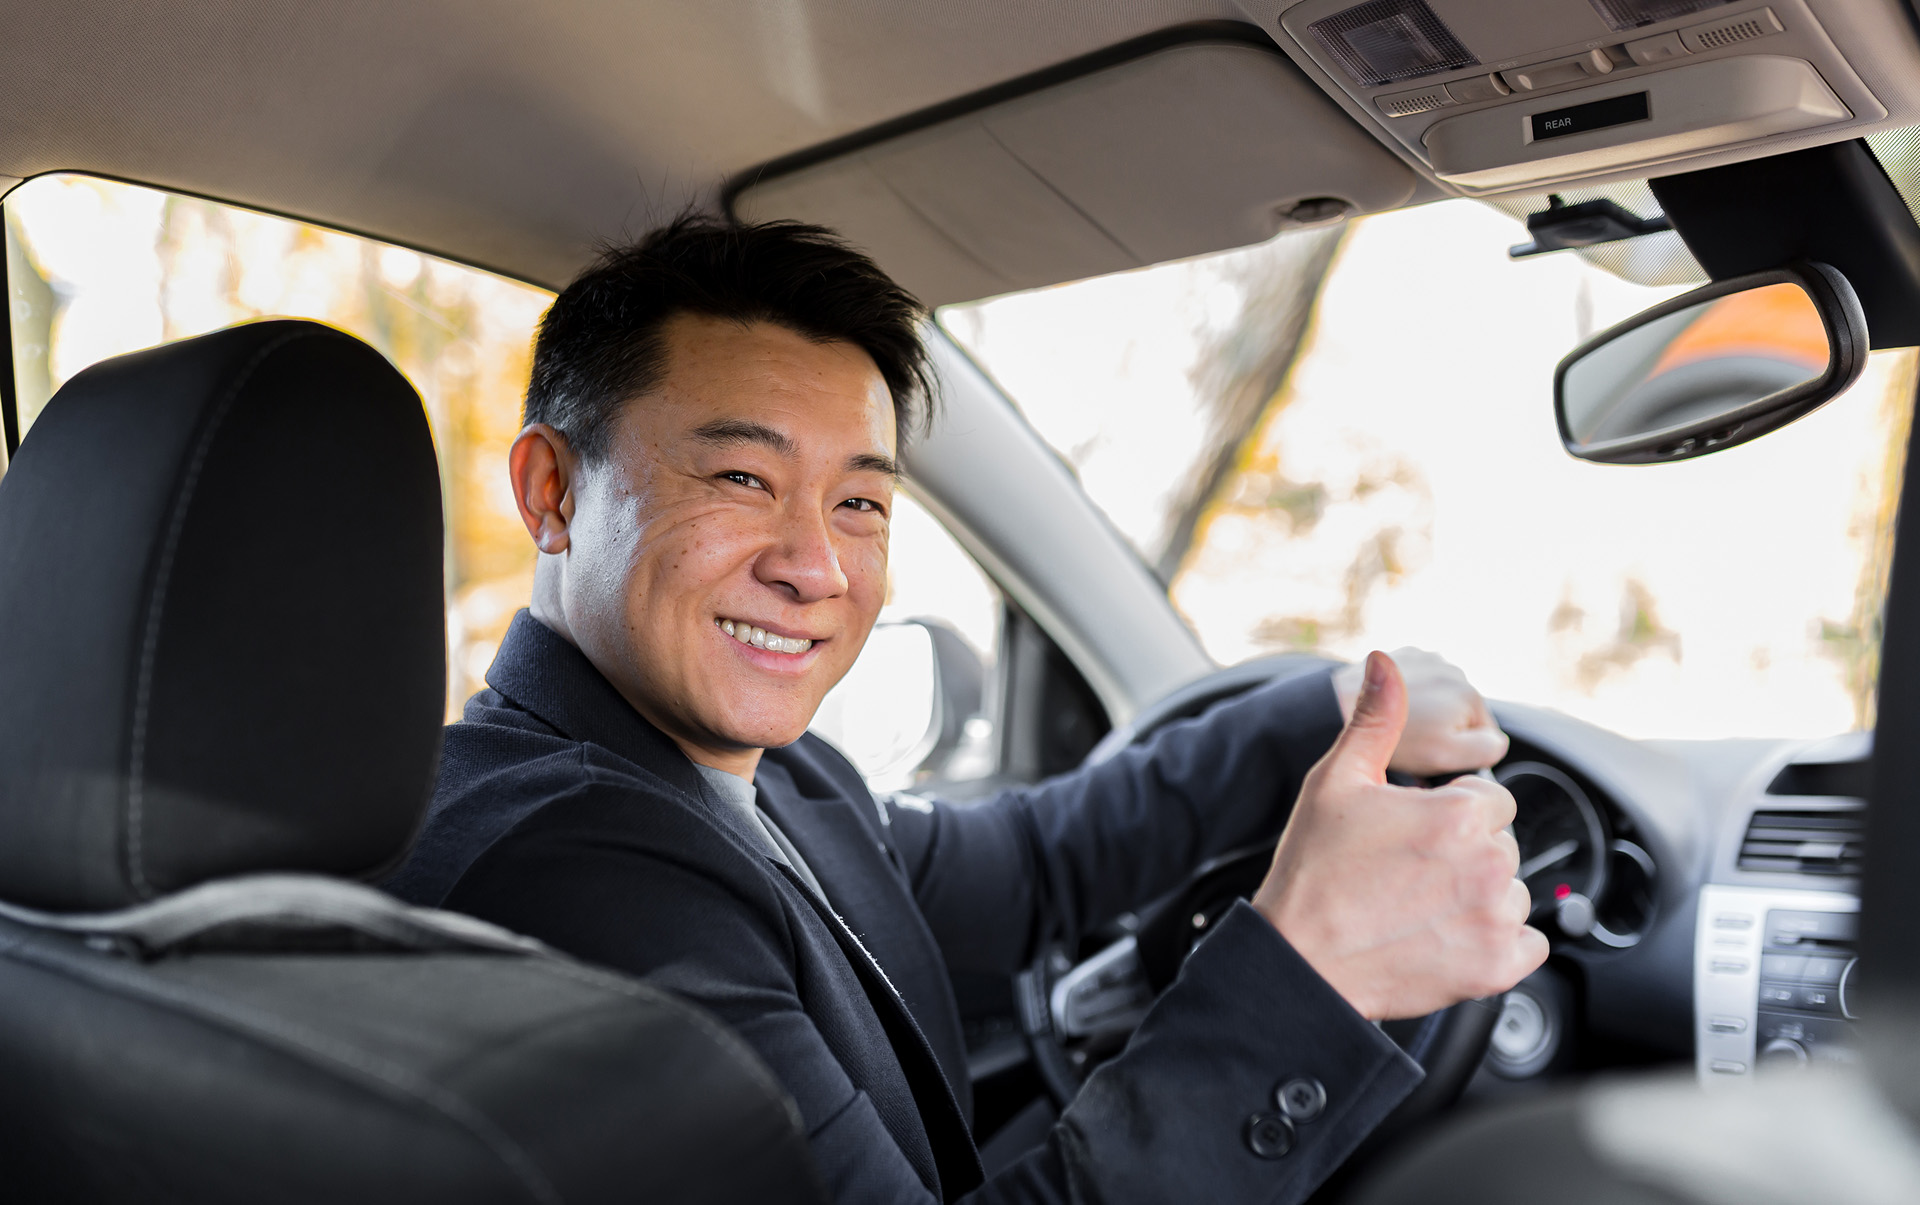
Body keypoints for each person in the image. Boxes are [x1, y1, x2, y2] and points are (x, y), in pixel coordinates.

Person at [387, 215, 1547, 1204]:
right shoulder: (575, 878)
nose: (815, 565)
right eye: (743, 478)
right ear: (553, 490)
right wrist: (1313, 971)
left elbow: (1035, 865)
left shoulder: (760, 776)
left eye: (859, 502)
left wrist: (1328, 709)